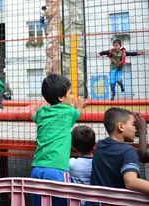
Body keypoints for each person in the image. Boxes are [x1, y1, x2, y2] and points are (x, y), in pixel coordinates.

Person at [31, 74, 84, 206]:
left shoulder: (41, 112)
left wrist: (36, 110)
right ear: (61, 98)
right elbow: (78, 113)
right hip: (58, 169)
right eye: (70, 93)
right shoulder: (69, 112)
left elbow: (33, 116)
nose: (72, 96)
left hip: (37, 169)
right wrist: (79, 106)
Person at [90, 107, 149, 197]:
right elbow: (131, 182)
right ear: (121, 126)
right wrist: (142, 130)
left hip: (97, 201)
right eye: (133, 125)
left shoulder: (101, 145)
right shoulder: (128, 151)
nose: (135, 129)